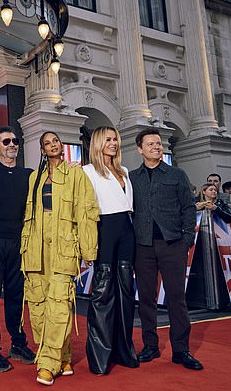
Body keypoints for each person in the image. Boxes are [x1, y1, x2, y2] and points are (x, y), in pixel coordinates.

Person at [21, 131, 99, 386]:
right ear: (42, 149)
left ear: (61, 146)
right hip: (35, 249)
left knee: (59, 304)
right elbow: (28, 215)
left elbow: (87, 213)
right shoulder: (35, 177)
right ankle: (63, 356)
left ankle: (48, 362)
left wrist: (89, 252)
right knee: (38, 304)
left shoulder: (77, 175)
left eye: (55, 141)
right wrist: (24, 248)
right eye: (47, 143)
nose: (52, 145)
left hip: (64, 247)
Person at [130, 128, 202, 371]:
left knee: (176, 299)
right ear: (140, 149)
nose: (156, 147)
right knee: (146, 299)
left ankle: (181, 350)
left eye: (158, 144)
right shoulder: (131, 178)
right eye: (150, 144)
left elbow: (189, 208)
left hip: (173, 245)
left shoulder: (177, 174)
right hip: (142, 246)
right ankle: (149, 345)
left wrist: (187, 239)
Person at [83, 126, 139, 375]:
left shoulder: (124, 170)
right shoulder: (87, 171)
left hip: (127, 231)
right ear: (97, 143)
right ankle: (100, 356)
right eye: (108, 139)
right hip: (104, 230)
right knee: (103, 296)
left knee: (126, 294)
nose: (114, 143)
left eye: (115, 139)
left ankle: (124, 350)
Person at [0, 126, 36, 373]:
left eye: (15, 141)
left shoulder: (28, 175)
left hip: (19, 244)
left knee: (16, 297)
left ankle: (18, 344)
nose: (12, 144)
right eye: (6, 141)